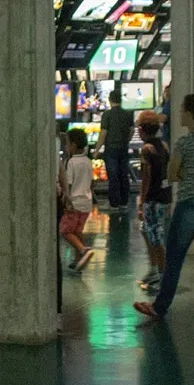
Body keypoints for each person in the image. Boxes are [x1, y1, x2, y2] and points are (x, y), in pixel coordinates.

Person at [134, 94, 194, 326]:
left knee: (173, 261)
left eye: (182, 110)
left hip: (189, 207)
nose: (179, 114)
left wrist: (187, 175)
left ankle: (159, 306)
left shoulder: (184, 143)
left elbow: (172, 174)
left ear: (191, 114)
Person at [136, 115, 170, 291]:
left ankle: (161, 275)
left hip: (152, 198)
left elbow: (146, 178)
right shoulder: (164, 146)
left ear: (142, 129)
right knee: (148, 231)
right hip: (164, 196)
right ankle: (155, 270)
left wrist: (141, 202)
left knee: (155, 235)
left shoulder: (146, 150)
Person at [58, 127, 95, 270]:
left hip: (75, 202)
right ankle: (79, 260)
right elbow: (92, 183)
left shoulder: (71, 162)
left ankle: (83, 250)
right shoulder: (87, 161)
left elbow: (69, 184)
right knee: (77, 231)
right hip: (86, 202)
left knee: (66, 231)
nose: (66, 147)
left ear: (73, 145)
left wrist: (66, 200)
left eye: (67, 144)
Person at [100, 88, 135, 214]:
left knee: (113, 176)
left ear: (110, 100)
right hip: (123, 148)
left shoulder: (107, 115)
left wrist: (97, 149)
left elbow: (104, 132)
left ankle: (114, 203)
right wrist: (127, 140)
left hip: (111, 149)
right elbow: (132, 130)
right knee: (123, 175)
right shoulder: (127, 114)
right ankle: (124, 202)